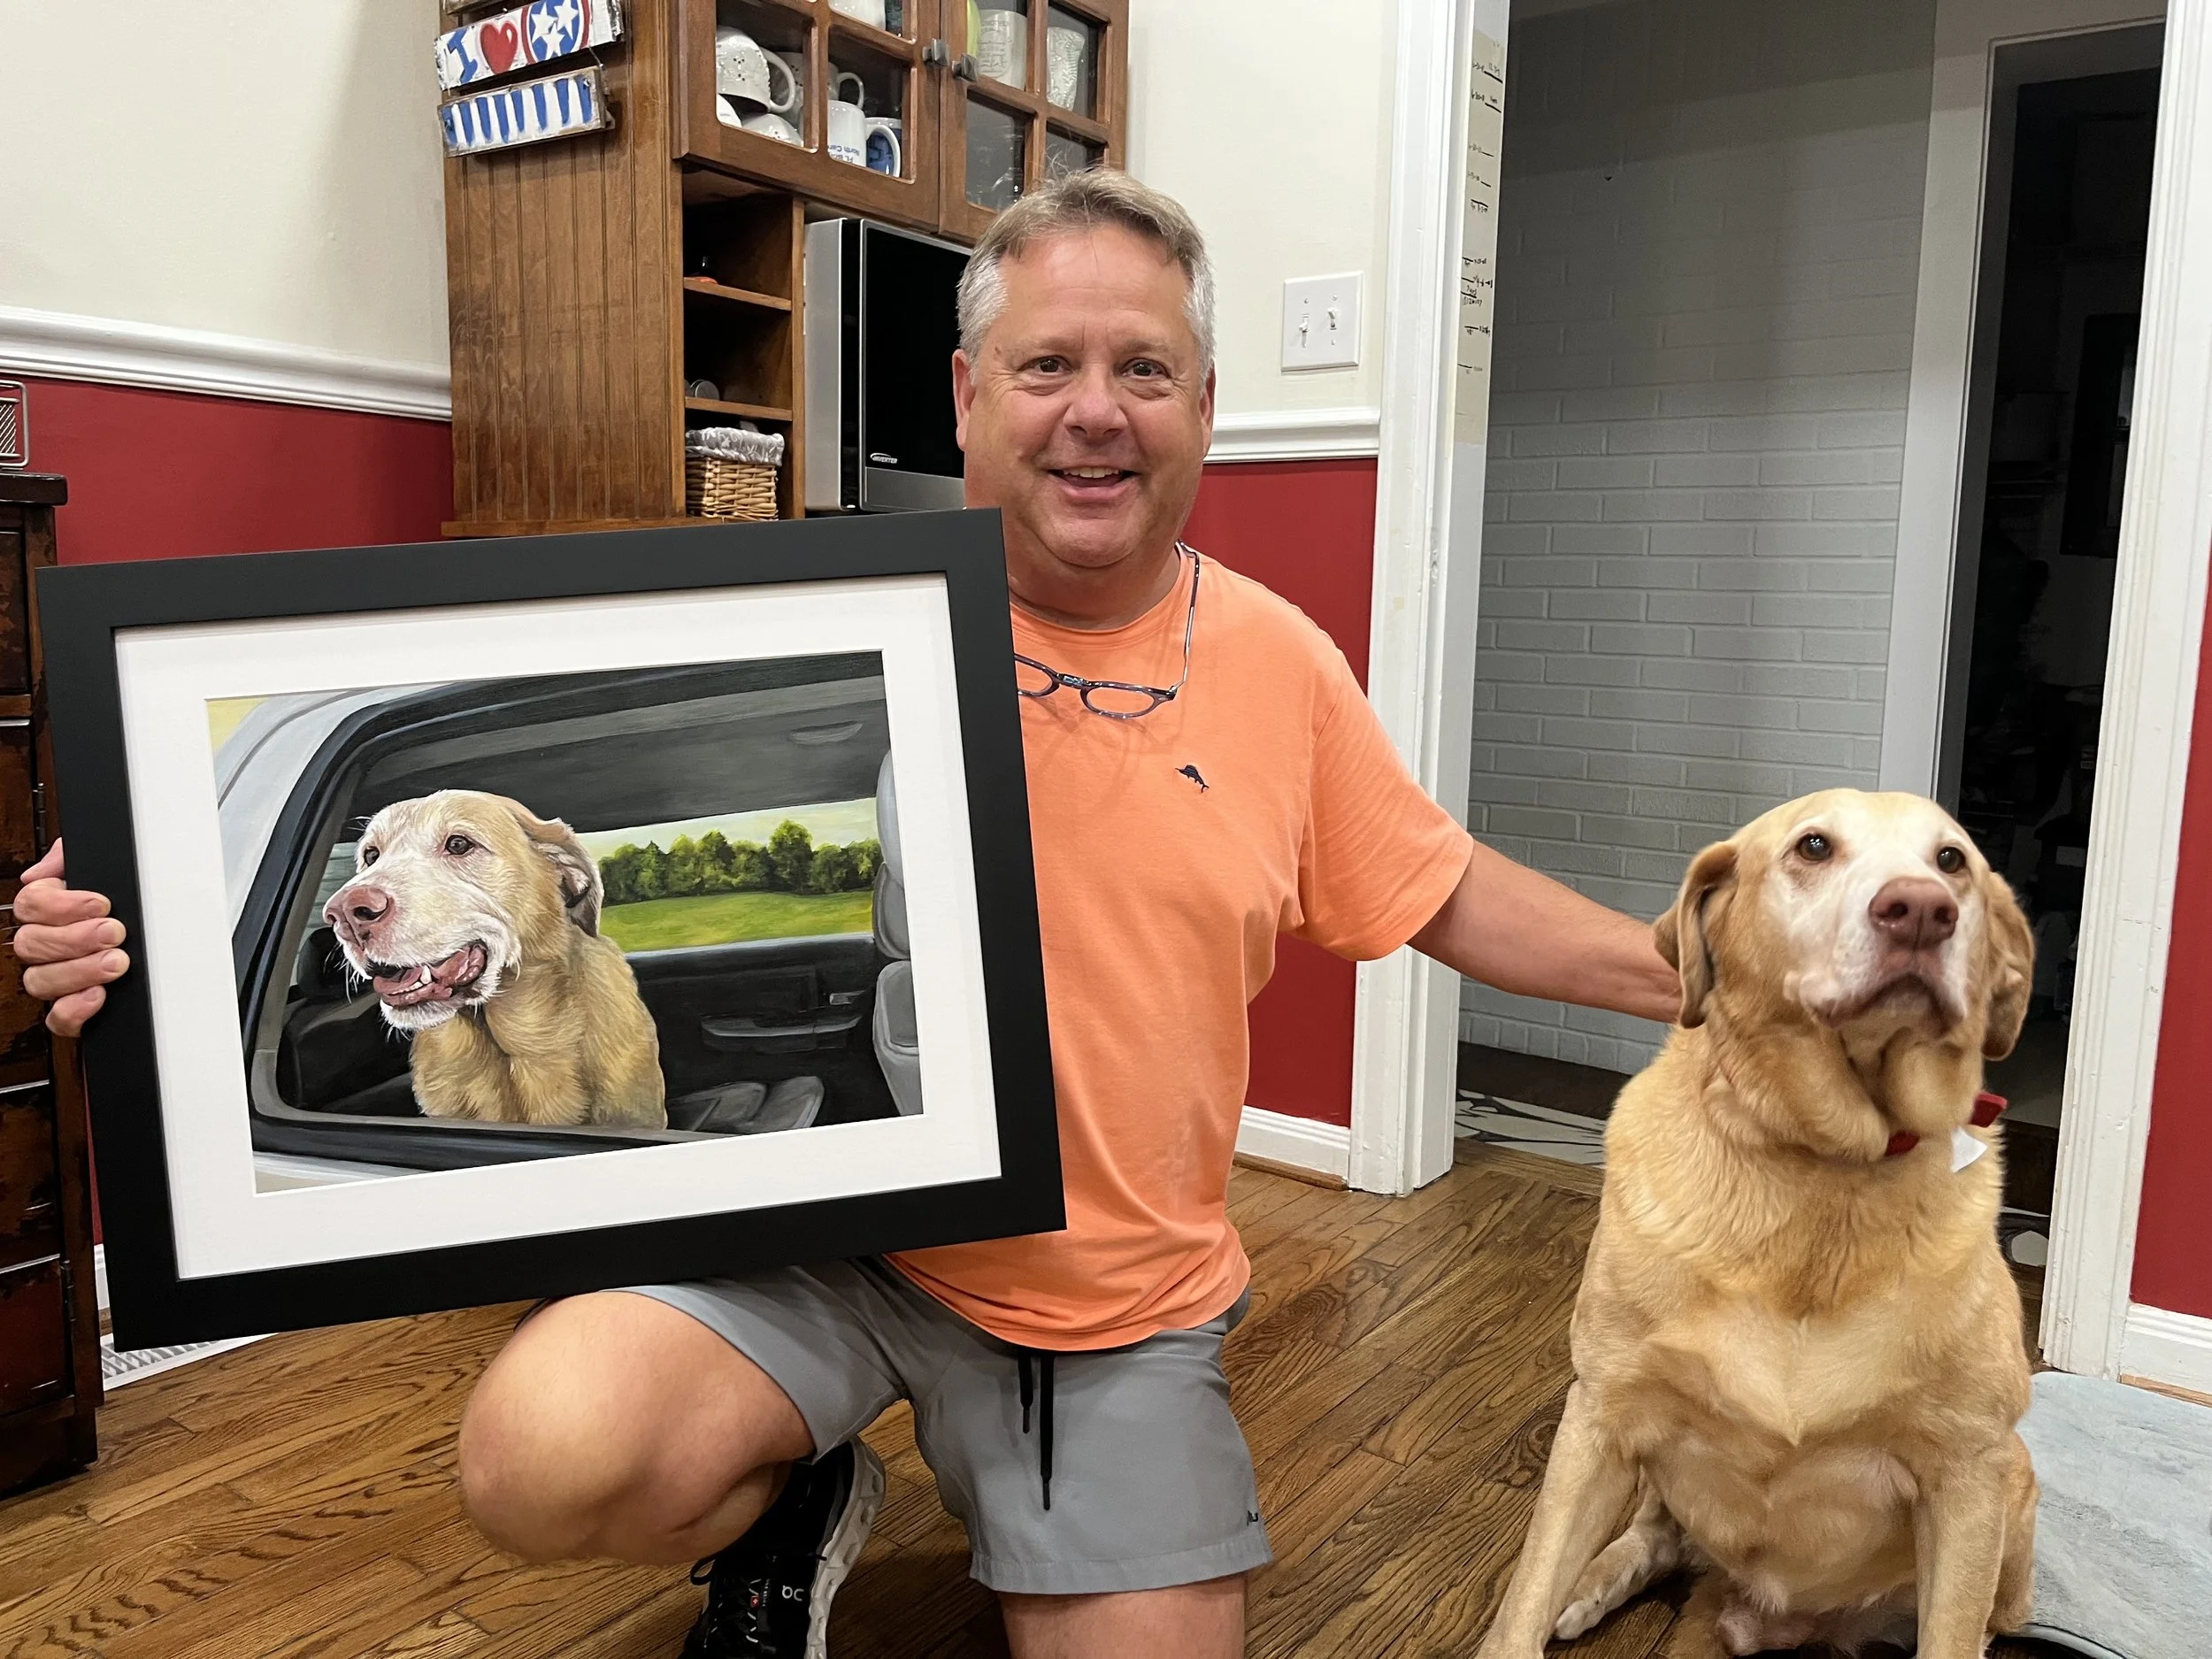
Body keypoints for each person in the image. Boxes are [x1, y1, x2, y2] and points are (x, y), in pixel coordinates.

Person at [13, 170, 1679, 1659]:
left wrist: (1699, 979)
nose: (1095, 413)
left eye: (1143, 370)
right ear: (969, 396)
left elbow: (1438, 885)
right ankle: (794, 1496)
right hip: (824, 1251)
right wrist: (130, 914)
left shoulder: (1282, 663)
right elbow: (203, 837)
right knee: (540, 1454)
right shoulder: (811, 616)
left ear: (1204, 406)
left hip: (1113, 1306)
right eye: (1048, 367)